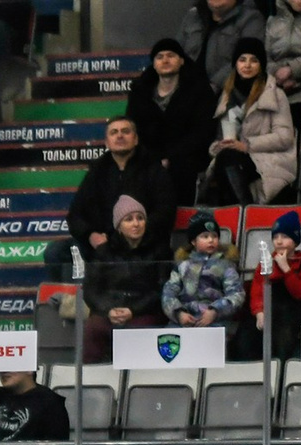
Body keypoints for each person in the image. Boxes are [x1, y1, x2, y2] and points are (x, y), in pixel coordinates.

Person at [62, 118, 177, 272]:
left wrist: (133, 235)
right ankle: (76, 296)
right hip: (103, 243)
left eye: (125, 131)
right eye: (114, 132)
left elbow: (165, 212)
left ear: (135, 139)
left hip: (142, 243)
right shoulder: (97, 170)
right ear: (107, 142)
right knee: (57, 252)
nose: (120, 136)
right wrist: (91, 235)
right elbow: (75, 215)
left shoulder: (153, 169)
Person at [203, 39, 296, 204]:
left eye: (254, 60)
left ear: (261, 65)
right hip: (234, 157)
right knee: (224, 159)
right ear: (235, 64)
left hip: (267, 159)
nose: (247, 65)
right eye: (242, 60)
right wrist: (218, 146)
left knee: (227, 160)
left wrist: (246, 145)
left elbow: (285, 137)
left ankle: (243, 212)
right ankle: (241, 212)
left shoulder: (275, 95)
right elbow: (218, 137)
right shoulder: (226, 96)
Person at [81, 195, 171, 363]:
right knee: (93, 328)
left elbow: (162, 289)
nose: (136, 224)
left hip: (145, 311)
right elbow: (91, 290)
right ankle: (89, 379)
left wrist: (133, 310)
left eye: (140, 218)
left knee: (137, 330)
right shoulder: (103, 251)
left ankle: (135, 381)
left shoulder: (160, 250)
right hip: (110, 310)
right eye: (129, 219)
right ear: (119, 226)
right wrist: (108, 310)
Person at [128, 39, 219, 205]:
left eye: (171, 55)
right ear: (154, 64)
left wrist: (170, 157)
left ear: (182, 60)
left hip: (188, 155)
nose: (165, 60)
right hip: (151, 155)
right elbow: (134, 129)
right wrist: (156, 158)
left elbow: (203, 132)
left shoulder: (199, 89)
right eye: (160, 57)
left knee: (181, 167)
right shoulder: (140, 91)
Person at [163, 213, 255, 356]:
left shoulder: (225, 265)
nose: (211, 240)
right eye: (205, 236)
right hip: (184, 321)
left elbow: (237, 294)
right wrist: (178, 313)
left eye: (214, 236)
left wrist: (215, 311)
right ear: (193, 241)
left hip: (215, 321)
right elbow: (168, 293)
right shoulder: (182, 265)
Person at [252, 208, 301, 357]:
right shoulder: (265, 263)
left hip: (292, 314)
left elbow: (300, 293)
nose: (279, 241)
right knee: (247, 338)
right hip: (268, 312)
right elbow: (257, 291)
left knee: (283, 335)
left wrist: (286, 268)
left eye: (285, 236)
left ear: (295, 239)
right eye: (276, 237)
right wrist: (259, 313)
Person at [182, 0, 269, 85]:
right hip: (184, 88)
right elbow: (177, 53)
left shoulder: (251, 19)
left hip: (223, 91)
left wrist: (211, 88)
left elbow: (245, 62)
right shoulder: (194, 16)